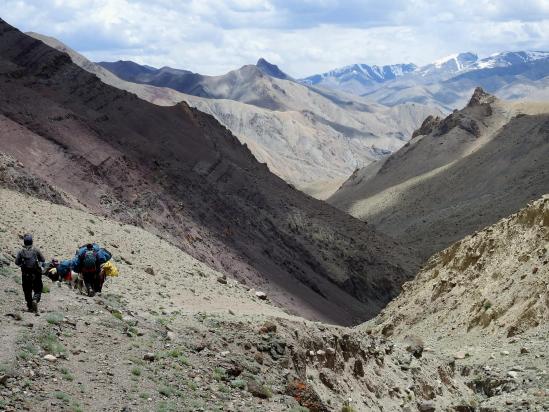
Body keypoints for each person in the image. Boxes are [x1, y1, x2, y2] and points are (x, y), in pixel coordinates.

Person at [15, 234, 45, 313]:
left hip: (25, 274)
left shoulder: (21, 251)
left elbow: (16, 262)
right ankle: (35, 299)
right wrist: (40, 266)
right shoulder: (36, 250)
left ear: (24, 242)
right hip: (36, 274)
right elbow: (43, 259)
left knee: (27, 290)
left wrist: (22, 266)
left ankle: (30, 306)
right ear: (32, 242)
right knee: (38, 289)